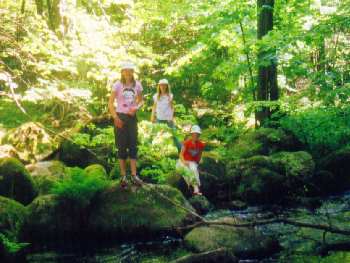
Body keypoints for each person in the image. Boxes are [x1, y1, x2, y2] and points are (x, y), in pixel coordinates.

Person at [108, 61, 144, 188]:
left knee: (133, 146)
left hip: (132, 117)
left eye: (130, 71)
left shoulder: (137, 84)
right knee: (121, 147)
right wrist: (115, 117)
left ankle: (134, 175)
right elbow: (110, 103)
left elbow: (141, 101)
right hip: (120, 117)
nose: (128, 73)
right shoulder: (117, 85)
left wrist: (136, 108)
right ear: (122, 72)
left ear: (133, 72)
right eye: (125, 70)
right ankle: (123, 176)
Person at [151, 79, 181, 152]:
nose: (163, 86)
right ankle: (153, 150)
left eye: (165, 85)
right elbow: (154, 107)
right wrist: (152, 116)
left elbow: (172, 107)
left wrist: (171, 117)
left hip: (168, 119)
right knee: (155, 134)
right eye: (161, 85)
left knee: (174, 135)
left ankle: (181, 150)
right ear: (159, 86)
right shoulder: (156, 96)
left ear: (167, 86)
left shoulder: (170, 96)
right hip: (159, 118)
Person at [176, 125, 205, 195]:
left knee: (193, 169)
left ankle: (196, 188)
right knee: (185, 169)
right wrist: (184, 162)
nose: (196, 136)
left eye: (197, 135)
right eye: (194, 134)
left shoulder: (201, 144)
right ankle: (191, 186)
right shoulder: (186, 143)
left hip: (192, 162)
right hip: (183, 161)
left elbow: (200, 154)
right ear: (191, 135)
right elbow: (180, 154)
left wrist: (197, 163)